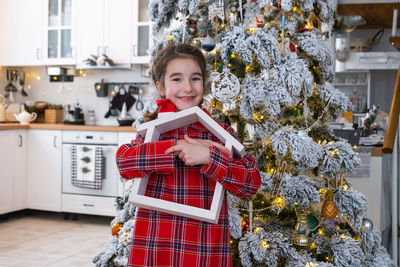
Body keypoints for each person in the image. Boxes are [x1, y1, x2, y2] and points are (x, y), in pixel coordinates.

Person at [116, 43, 261, 267]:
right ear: (161, 87)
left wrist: (209, 156)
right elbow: (124, 162)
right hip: (156, 244)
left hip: (204, 248)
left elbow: (251, 183)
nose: (187, 88)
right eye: (176, 79)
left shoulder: (220, 133)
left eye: (195, 78)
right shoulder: (153, 132)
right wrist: (177, 148)